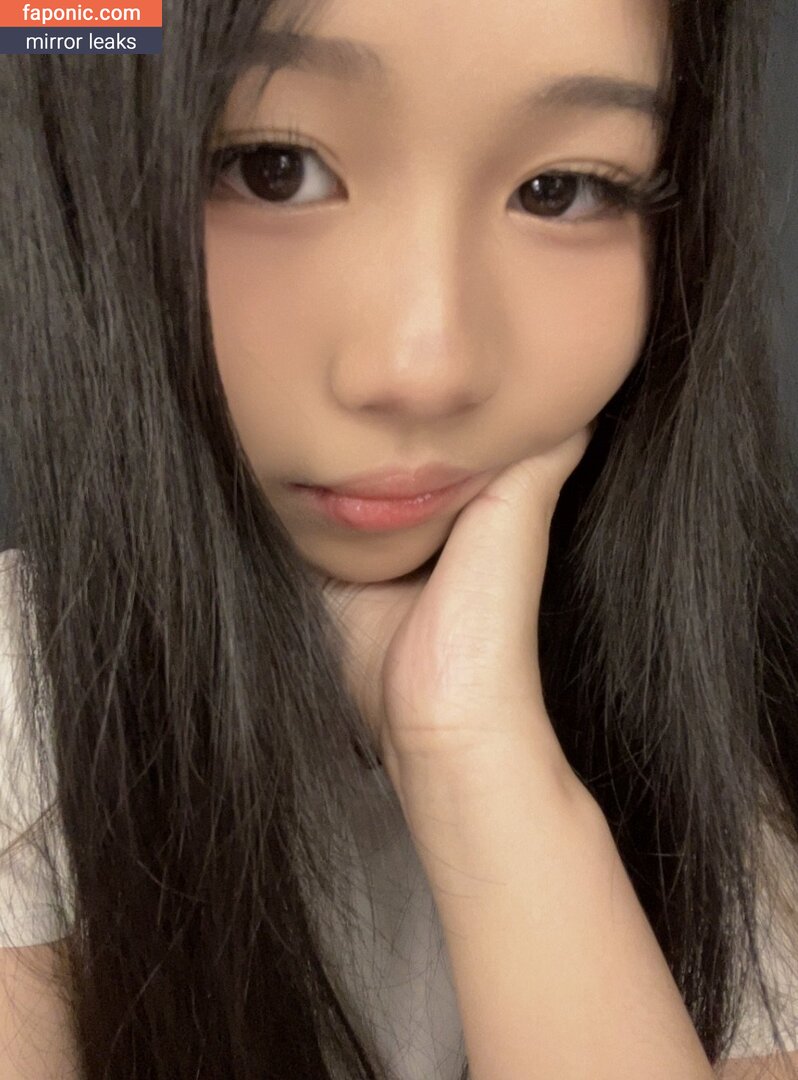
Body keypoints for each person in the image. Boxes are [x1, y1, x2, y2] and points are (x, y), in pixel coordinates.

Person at [1, 0, 798, 1076]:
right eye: (273, 169)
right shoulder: (25, 719)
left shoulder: (729, 713)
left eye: (563, 189)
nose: (428, 367)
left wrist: (480, 767)